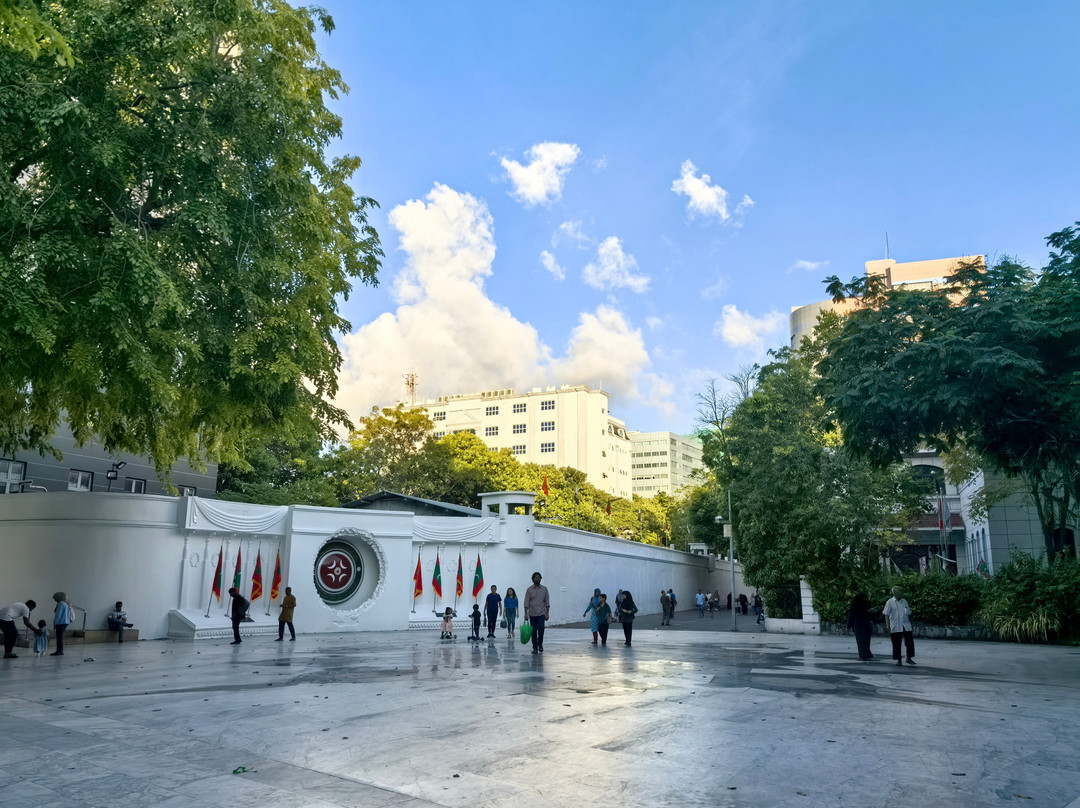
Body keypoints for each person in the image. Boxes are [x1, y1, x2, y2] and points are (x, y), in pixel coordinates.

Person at [883, 586, 915, 666]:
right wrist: (888, 626)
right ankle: (899, 660)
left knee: (909, 642)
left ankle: (909, 658)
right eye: (899, 591)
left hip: (906, 625)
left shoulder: (904, 601)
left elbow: (908, 612)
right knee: (896, 643)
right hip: (895, 625)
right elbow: (886, 615)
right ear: (895, 593)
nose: (901, 593)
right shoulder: (889, 602)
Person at [523, 571, 550, 654]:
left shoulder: (544, 589)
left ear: (541, 579)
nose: (537, 579)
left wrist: (547, 613)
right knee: (533, 631)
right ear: (533, 579)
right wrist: (526, 614)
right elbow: (526, 602)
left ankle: (540, 644)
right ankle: (535, 647)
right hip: (532, 613)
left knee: (541, 628)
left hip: (541, 613)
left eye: (538, 577)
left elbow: (547, 602)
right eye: (535, 577)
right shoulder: (529, 590)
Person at [847, 593, 875, 661]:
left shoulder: (855, 605)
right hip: (862, 624)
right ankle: (865, 654)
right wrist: (869, 612)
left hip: (859, 625)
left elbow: (851, 616)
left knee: (861, 640)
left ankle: (865, 653)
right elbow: (861, 614)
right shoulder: (860, 605)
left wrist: (849, 625)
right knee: (865, 639)